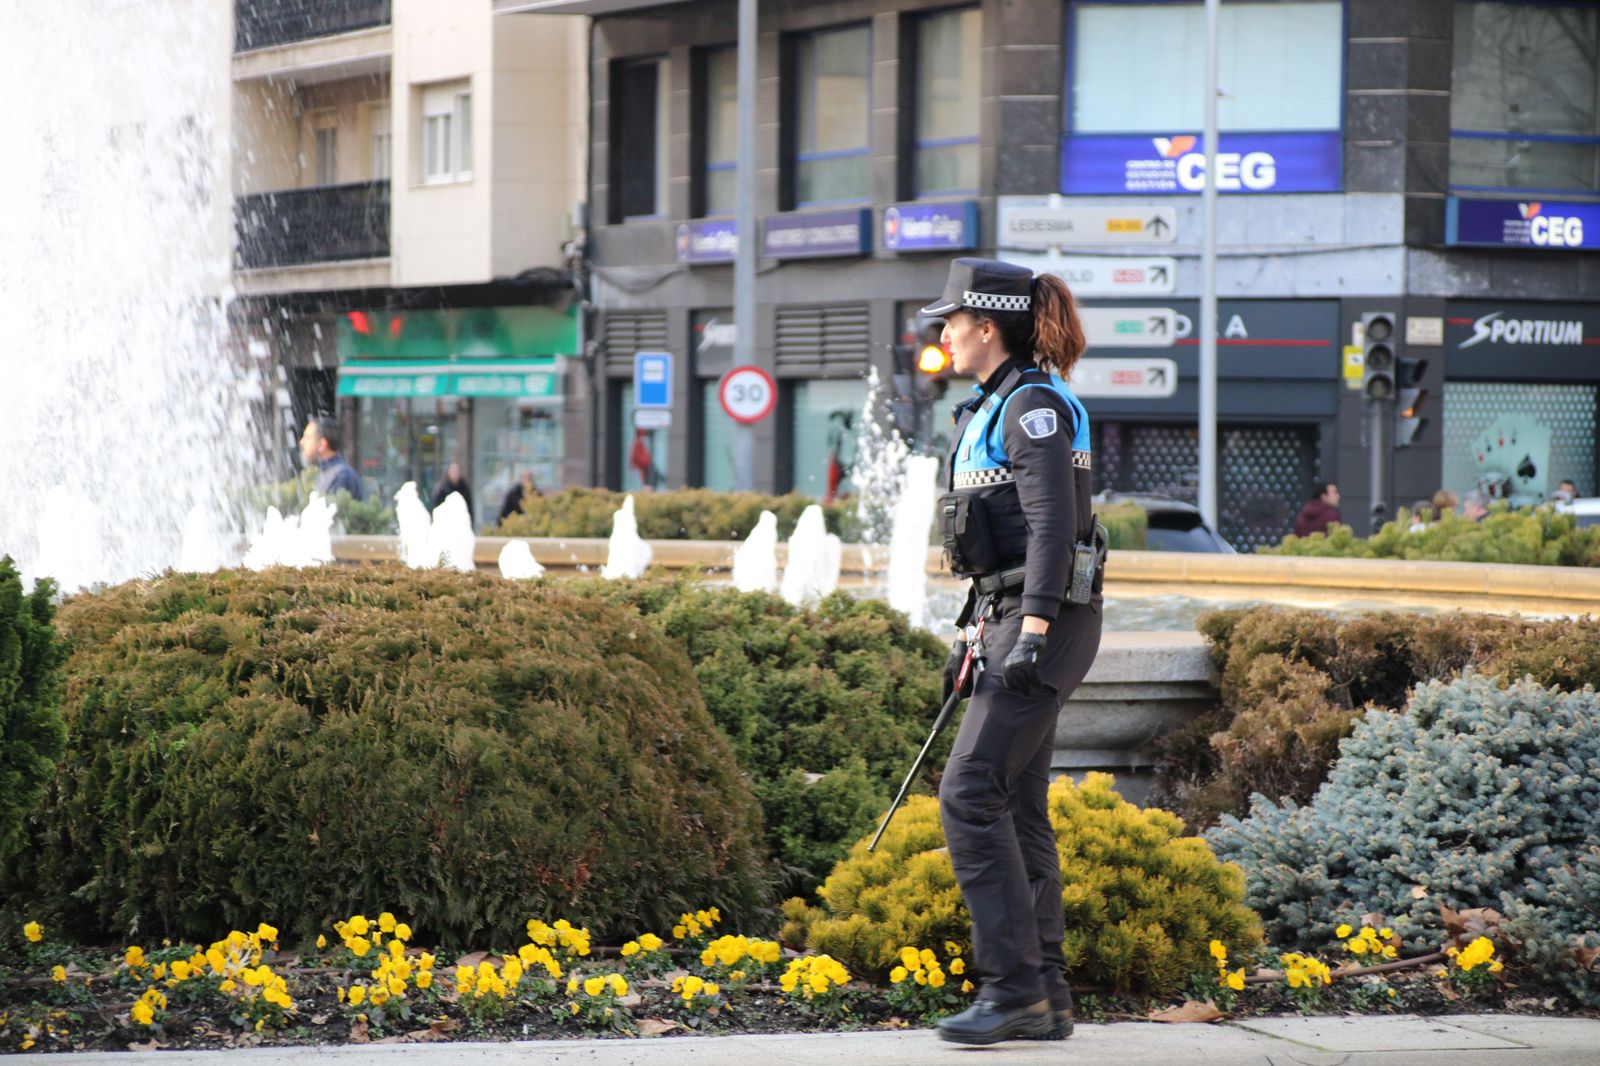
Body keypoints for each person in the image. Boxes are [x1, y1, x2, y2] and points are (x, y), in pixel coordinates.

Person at [921, 258, 1103, 1046]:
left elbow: (1055, 527)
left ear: (987, 327)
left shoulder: (1032, 406)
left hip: (1046, 624)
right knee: (1018, 805)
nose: (944, 333)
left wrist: (1030, 631)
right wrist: (977, 625)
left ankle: (1012, 991)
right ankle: (1046, 996)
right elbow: (1001, 544)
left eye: (951, 320)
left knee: (968, 794)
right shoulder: (997, 403)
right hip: (1019, 617)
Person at [299, 418, 365, 501]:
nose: (301, 442)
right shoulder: (321, 473)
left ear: (322, 445)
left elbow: (332, 508)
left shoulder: (340, 476)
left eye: (307, 438)